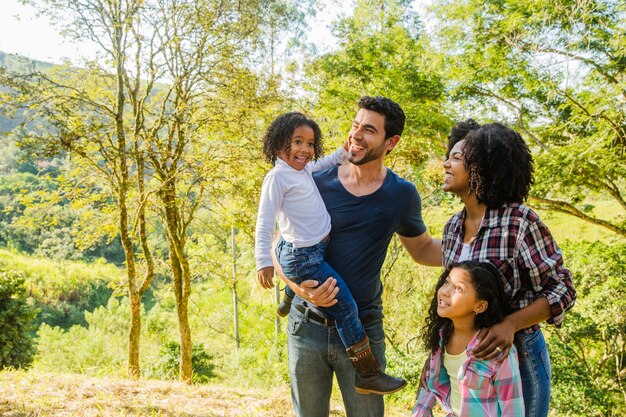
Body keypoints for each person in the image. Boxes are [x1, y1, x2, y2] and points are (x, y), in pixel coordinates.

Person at [263, 96, 442, 417]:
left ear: (391, 142)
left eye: (369, 130)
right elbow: (280, 243)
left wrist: (473, 249)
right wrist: (298, 288)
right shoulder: (314, 180)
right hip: (306, 327)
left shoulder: (401, 194)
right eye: (355, 125)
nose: (356, 135)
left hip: (364, 328)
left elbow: (424, 250)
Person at [255, 111, 406, 394]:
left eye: (310, 144)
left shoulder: (301, 171)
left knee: (314, 271)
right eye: (297, 142)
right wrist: (263, 261)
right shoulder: (277, 178)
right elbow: (264, 221)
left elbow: (322, 163)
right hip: (302, 256)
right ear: (278, 145)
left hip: (313, 250)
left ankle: (287, 300)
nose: (306, 150)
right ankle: (367, 372)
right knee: (346, 307)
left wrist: (342, 152)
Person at [439, 121, 577, 417]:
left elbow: (562, 288)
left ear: (480, 167)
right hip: (466, 358)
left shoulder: (519, 221)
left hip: (519, 354)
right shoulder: (451, 227)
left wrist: (510, 324)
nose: (445, 163)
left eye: (456, 158)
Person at [412, 261, 525, 417]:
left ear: (480, 306)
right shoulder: (442, 337)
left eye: (458, 288)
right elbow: (430, 386)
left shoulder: (496, 349)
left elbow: (513, 410)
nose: (445, 292)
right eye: (447, 282)